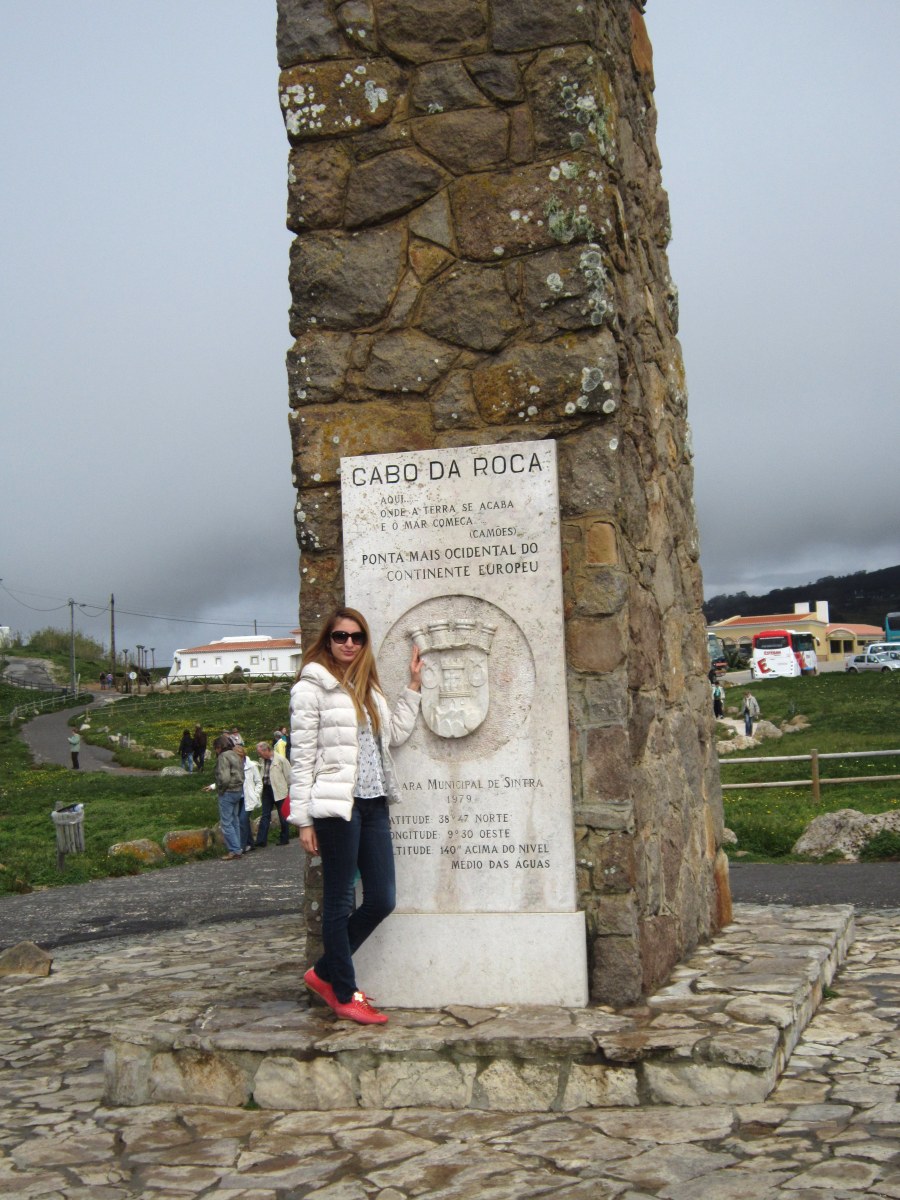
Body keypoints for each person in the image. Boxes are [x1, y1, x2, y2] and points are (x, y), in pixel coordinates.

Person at [290, 606, 422, 1025]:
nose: (349, 643)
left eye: (357, 637)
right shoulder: (310, 688)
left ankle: (324, 973)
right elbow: (301, 758)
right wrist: (304, 820)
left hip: (374, 804)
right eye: (340, 636)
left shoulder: (368, 688)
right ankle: (345, 993)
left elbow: (393, 735)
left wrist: (413, 687)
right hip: (336, 810)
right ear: (327, 641)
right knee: (339, 900)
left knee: (382, 899)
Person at [254, 741, 292, 847]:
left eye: (260, 752)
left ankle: (284, 838)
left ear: (267, 750)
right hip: (267, 789)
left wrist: (290, 789)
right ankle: (261, 840)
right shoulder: (262, 761)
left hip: (279, 790)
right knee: (265, 814)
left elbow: (289, 775)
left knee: (282, 815)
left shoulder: (280, 760)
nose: (259, 755)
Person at [214, 734, 245, 860]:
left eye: (216, 748)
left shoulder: (223, 756)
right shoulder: (235, 754)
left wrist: (220, 789)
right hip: (238, 790)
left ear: (219, 747)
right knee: (235, 820)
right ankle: (238, 847)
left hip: (228, 791)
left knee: (226, 823)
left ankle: (234, 850)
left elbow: (224, 778)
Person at [236, 745, 261, 852]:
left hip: (249, 798)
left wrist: (256, 794)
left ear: (241, 755)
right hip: (239, 797)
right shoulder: (234, 766)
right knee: (243, 821)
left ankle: (242, 846)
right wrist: (214, 786)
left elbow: (258, 782)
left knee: (242, 820)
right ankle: (250, 843)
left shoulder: (251, 766)